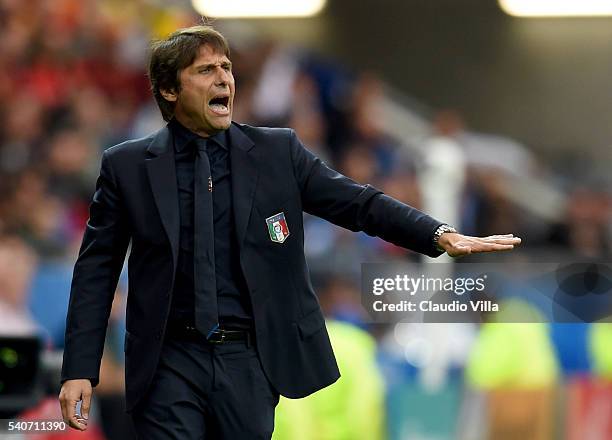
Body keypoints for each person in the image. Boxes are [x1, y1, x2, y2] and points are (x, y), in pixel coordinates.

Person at [58, 25, 521, 439]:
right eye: (205, 71)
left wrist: (435, 233)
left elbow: (358, 203)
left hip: (248, 360)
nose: (223, 79)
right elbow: (97, 268)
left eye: (227, 67)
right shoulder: (127, 166)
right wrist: (80, 368)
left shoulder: (277, 153)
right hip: (166, 361)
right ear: (169, 89)